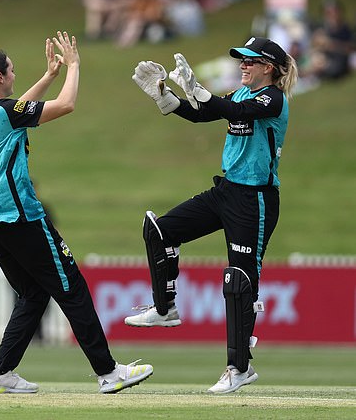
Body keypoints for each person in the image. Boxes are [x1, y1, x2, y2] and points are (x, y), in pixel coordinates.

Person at [0, 31, 153, 394]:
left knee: (34, 294)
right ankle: (108, 372)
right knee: (72, 287)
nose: (15, 74)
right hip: (22, 217)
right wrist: (73, 67)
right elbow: (65, 105)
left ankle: (0, 373)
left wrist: (48, 76)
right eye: (12, 70)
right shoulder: (4, 112)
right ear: (0, 78)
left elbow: (16, 109)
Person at [125, 36, 298, 393]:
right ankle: (165, 308)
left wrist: (200, 91)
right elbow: (206, 113)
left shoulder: (274, 98)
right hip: (226, 192)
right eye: (241, 60)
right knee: (159, 230)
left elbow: (236, 113)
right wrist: (166, 98)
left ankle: (239, 369)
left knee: (239, 281)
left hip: (255, 200)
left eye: (250, 61)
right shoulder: (240, 95)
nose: (242, 65)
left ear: (268, 67)